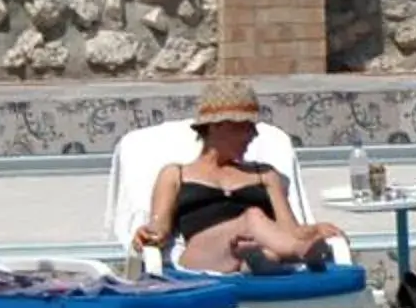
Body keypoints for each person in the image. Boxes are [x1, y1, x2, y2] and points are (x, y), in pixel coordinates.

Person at [134, 83, 336, 275]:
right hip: (202, 256)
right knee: (252, 217)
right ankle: (295, 253)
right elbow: (159, 227)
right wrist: (148, 235)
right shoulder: (175, 174)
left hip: (252, 248)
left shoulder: (265, 174)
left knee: (260, 250)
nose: (254, 134)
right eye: (244, 126)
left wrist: (316, 231)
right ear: (215, 127)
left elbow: (289, 230)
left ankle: (257, 261)